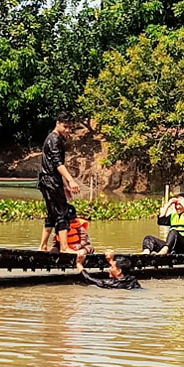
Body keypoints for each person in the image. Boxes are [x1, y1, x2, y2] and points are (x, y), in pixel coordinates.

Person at [38, 119, 81, 252]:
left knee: (52, 213)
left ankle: (43, 246)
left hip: (48, 180)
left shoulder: (52, 138)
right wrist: (71, 180)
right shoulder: (55, 140)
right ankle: (64, 247)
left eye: (70, 128)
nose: (68, 130)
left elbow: (53, 166)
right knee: (62, 212)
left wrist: (64, 186)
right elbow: (58, 164)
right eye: (65, 126)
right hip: (50, 181)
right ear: (57, 123)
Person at [77, 248, 143, 289]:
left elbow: (88, 279)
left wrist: (79, 264)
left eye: (111, 267)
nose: (109, 269)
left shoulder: (111, 284)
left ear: (119, 271)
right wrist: (110, 260)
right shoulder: (133, 280)